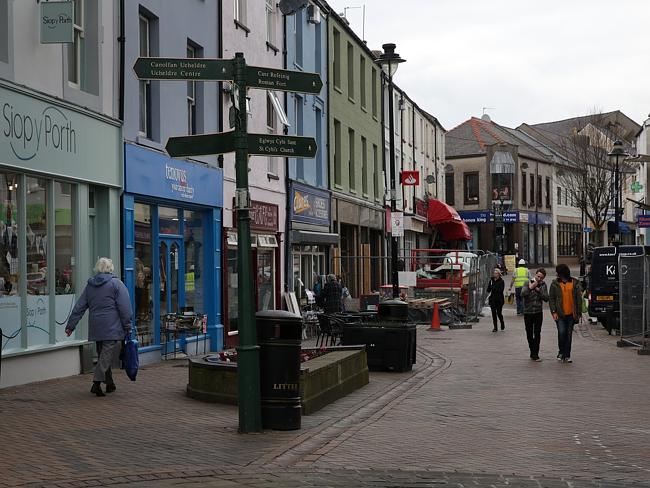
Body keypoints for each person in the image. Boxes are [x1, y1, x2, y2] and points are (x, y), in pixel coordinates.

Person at [65, 257, 133, 397]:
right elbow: (125, 308)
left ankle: (109, 383)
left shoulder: (90, 286)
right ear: (111, 268)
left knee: (103, 354)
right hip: (111, 326)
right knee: (106, 355)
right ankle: (96, 383)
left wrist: (71, 325)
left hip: (96, 326)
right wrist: (127, 325)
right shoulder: (116, 284)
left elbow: (80, 306)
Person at [548, 263, 583, 363]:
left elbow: (578, 299)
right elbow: (552, 298)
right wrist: (553, 311)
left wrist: (579, 313)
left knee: (568, 335)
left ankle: (567, 355)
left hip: (571, 314)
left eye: (557, 272)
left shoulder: (574, 282)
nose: (556, 274)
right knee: (561, 333)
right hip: (560, 314)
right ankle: (561, 352)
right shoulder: (555, 283)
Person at [521, 268, 549, 361]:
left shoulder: (543, 285)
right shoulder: (527, 282)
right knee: (529, 333)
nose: (539, 279)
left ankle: (535, 353)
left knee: (537, 333)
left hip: (538, 312)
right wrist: (530, 287)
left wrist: (538, 290)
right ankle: (532, 350)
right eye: (538, 276)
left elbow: (546, 298)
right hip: (528, 312)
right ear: (535, 274)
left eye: (541, 277)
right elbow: (523, 293)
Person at [487, 268, 505, 332]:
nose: (495, 274)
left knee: (499, 313)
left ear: (499, 274)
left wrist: (493, 287)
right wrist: (490, 287)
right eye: (494, 273)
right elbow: (488, 290)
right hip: (492, 299)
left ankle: (502, 323)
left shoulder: (501, 281)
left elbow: (500, 290)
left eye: (496, 273)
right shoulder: (491, 281)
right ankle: (495, 327)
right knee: (493, 313)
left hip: (499, 299)